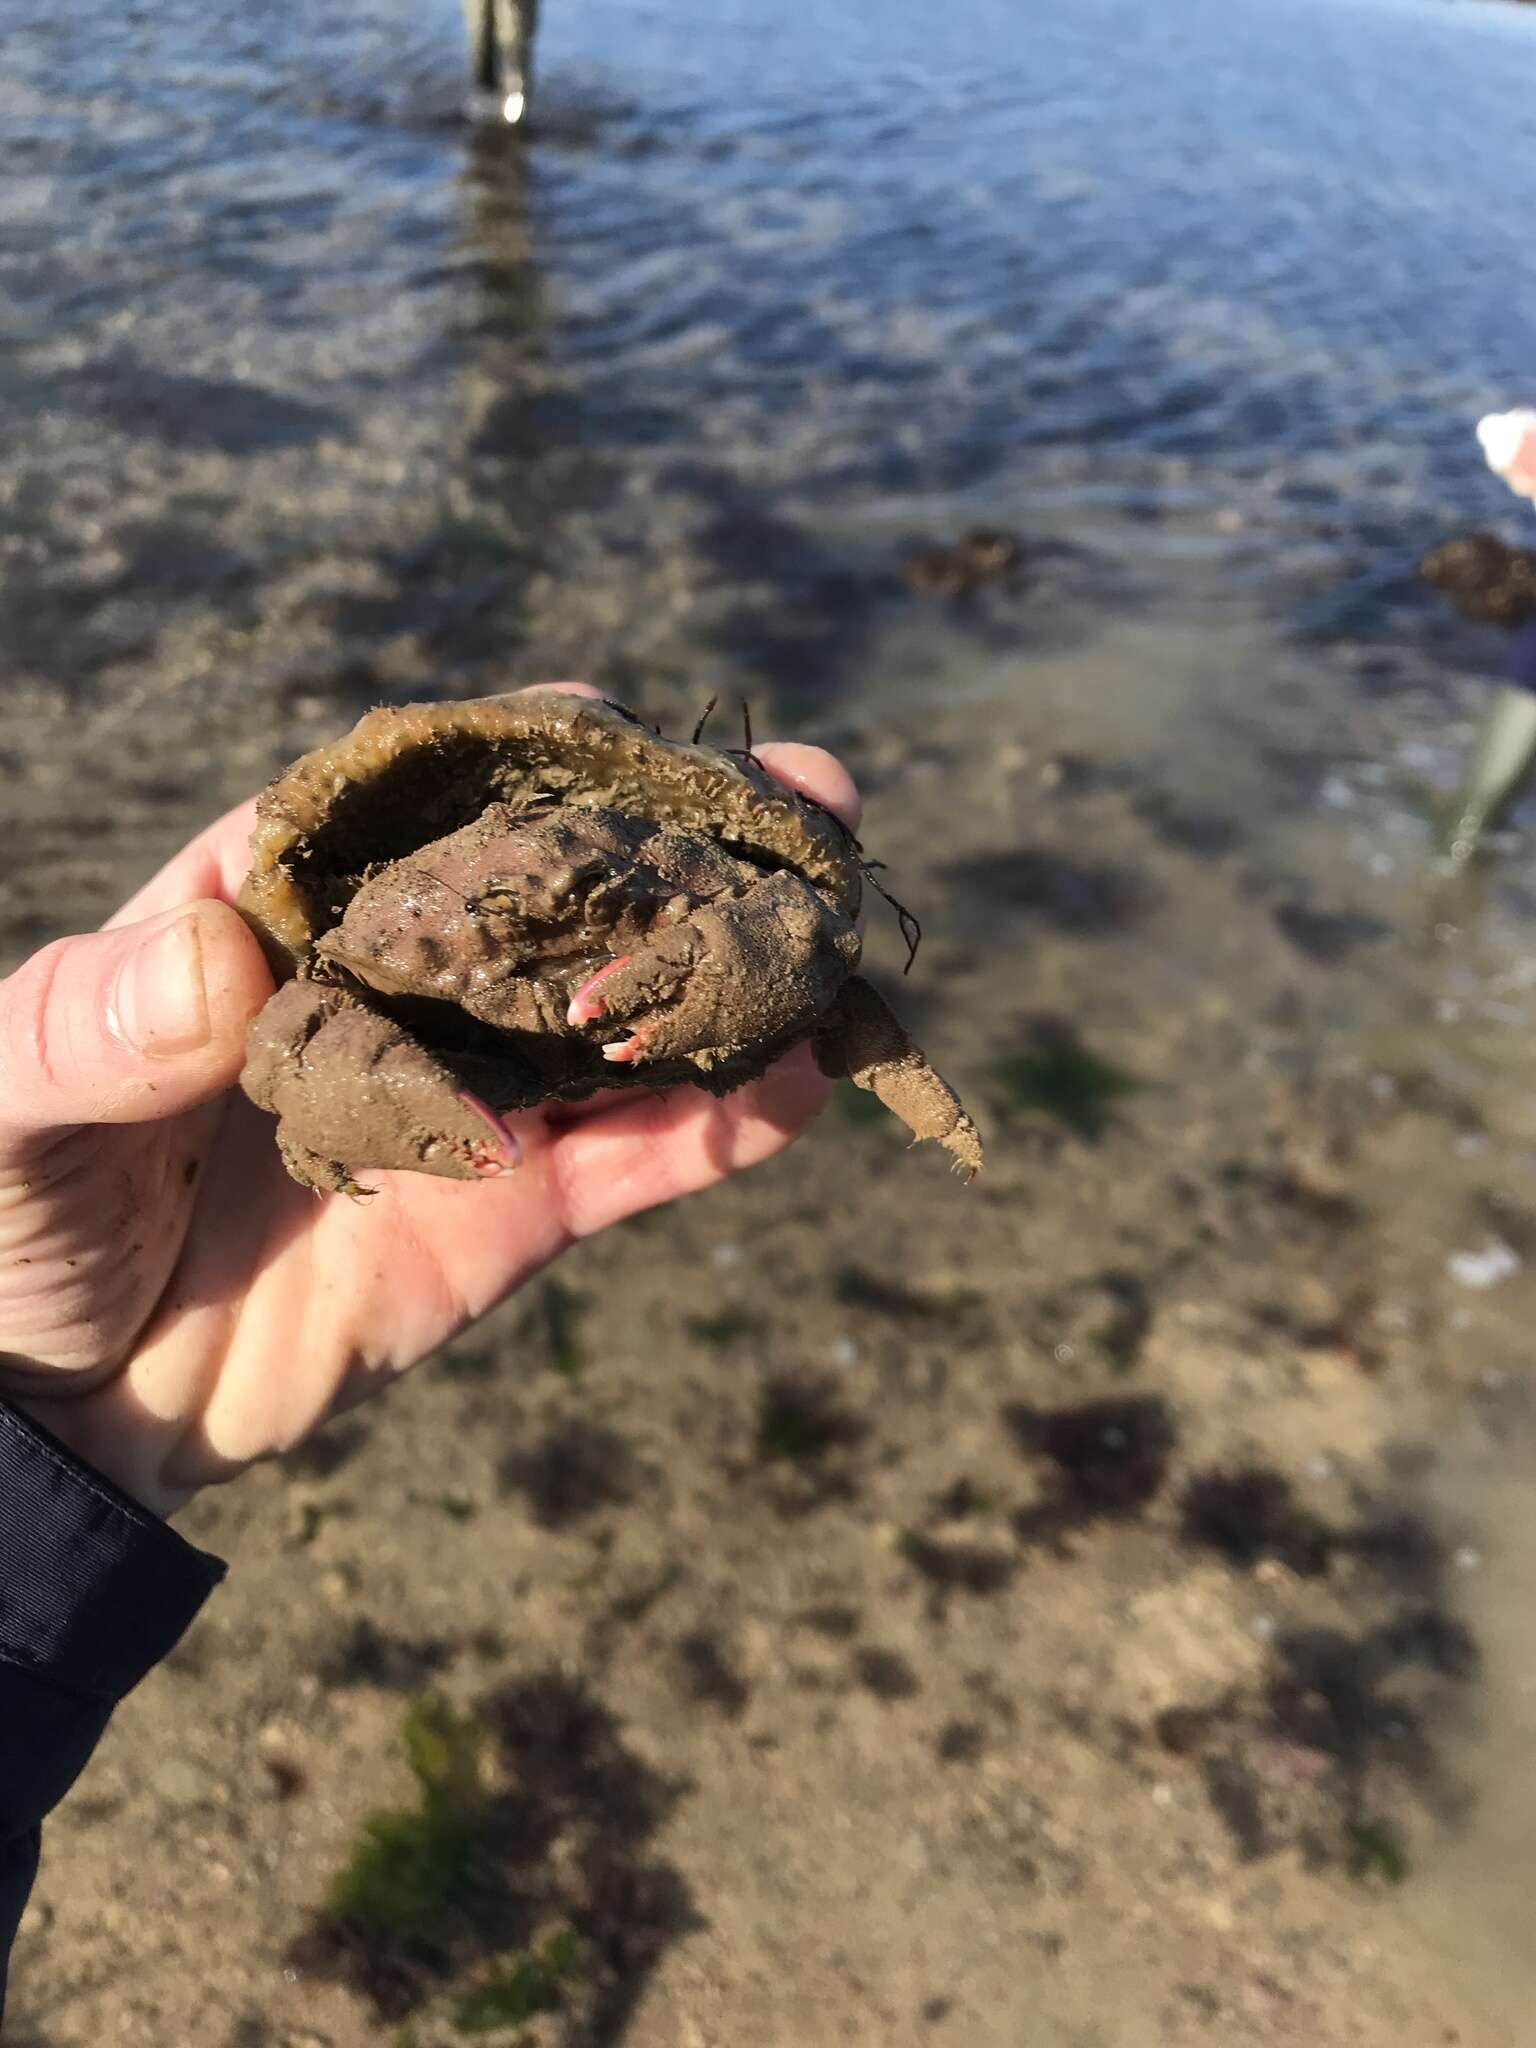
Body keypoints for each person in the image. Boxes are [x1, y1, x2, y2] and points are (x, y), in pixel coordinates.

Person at [0, 684, 860, 2012]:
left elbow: (799, 917)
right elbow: (291, 1045)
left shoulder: (677, 866)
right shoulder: (344, 948)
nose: (553, 915)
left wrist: (53, 1446)